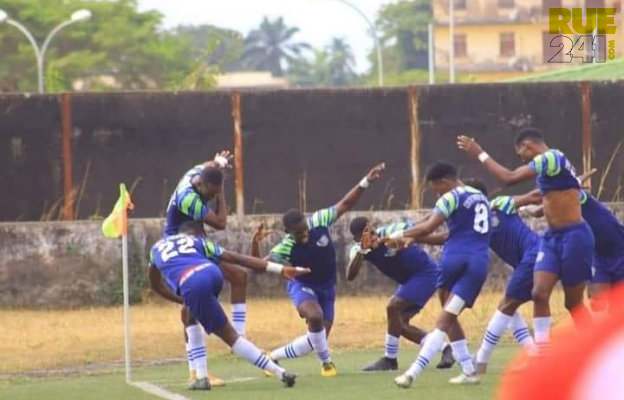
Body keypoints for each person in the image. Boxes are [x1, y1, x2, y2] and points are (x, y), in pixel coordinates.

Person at [457, 128, 595, 354]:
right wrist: (537, 210)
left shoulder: (551, 157)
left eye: (520, 154)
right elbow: (552, 196)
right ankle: (543, 356)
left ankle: (595, 352)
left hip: (574, 236)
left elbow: (508, 178)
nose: (522, 159)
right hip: (552, 238)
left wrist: (479, 152)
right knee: (539, 293)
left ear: (527, 146)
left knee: (574, 304)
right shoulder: (550, 168)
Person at [257, 163, 386, 377]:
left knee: (317, 339)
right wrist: (255, 245)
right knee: (315, 317)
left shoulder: (319, 220)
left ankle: (272, 357)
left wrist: (366, 181)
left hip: (327, 287)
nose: (304, 235)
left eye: (305, 230)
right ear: (288, 232)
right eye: (298, 234)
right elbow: (259, 266)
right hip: (302, 286)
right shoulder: (285, 247)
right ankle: (327, 363)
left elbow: (346, 204)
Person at [148, 221, 311, 390]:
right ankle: (201, 377)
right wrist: (280, 269)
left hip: (192, 282)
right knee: (190, 316)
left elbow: (156, 285)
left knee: (230, 337)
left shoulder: (155, 250)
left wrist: (182, 299)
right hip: (212, 273)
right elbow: (235, 258)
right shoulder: (194, 241)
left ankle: (280, 372)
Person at [392, 161, 491, 387]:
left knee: (444, 318)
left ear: (444, 182)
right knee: (450, 312)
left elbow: (429, 227)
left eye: (436, 188)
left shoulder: (450, 197)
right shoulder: (480, 197)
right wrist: (413, 235)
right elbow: (447, 231)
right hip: (479, 263)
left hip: (454, 260)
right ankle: (468, 370)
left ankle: (412, 373)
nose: (436, 193)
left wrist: (398, 234)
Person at [163, 152, 248, 388]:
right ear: (202, 185)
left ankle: (239, 339)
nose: (212, 196)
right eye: (212, 192)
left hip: (196, 244)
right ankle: (196, 371)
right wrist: (221, 194)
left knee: (239, 276)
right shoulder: (189, 199)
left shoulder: (197, 174)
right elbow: (221, 223)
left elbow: (209, 165)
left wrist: (219, 162)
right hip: (180, 250)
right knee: (190, 307)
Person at [346, 217, 455, 372]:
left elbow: (417, 226)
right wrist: (362, 250)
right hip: (410, 281)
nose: (371, 236)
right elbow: (350, 276)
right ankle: (445, 349)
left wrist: (437, 216)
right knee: (399, 325)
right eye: (364, 235)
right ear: (356, 239)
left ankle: (390, 360)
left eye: (371, 231)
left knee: (393, 306)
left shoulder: (391, 231)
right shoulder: (359, 250)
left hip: (426, 273)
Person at [461, 178, 540, 373]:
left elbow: (532, 196)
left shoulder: (500, 204)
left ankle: (481, 359)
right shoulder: (475, 224)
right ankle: (533, 354)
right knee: (508, 306)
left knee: (506, 305)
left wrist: (565, 187)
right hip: (528, 260)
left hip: (534, 253)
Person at [524, 188, 624, 316]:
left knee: (618, 303)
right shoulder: (560, 209)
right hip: (599, 254)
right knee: (597, 303)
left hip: (620, 250)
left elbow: (538, 211)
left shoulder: (576, 194)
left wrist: (524, 206)